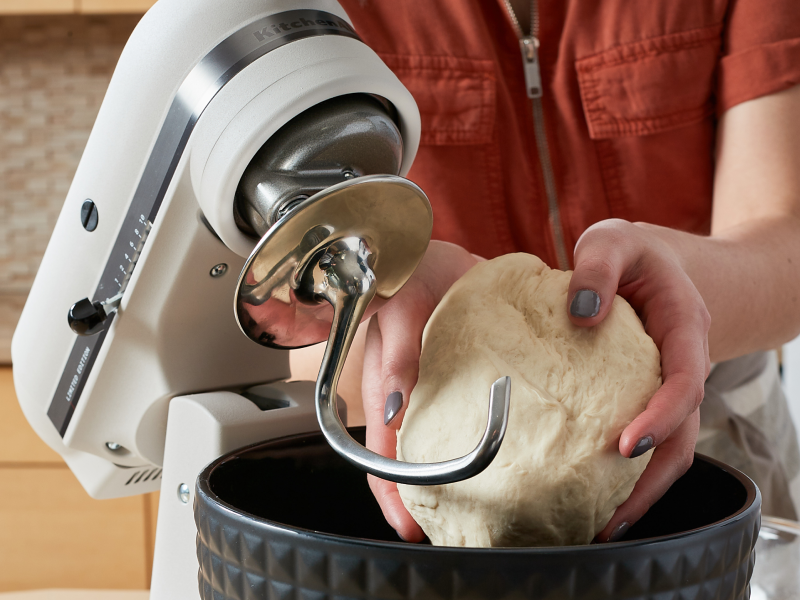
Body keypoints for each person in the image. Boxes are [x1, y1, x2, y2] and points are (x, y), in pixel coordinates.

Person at [292, 0, 800, 543]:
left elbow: (784, 237)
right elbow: (273, 323)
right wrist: (374, 296)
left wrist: (678, 277)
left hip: (702, 426)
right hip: (413, 454)